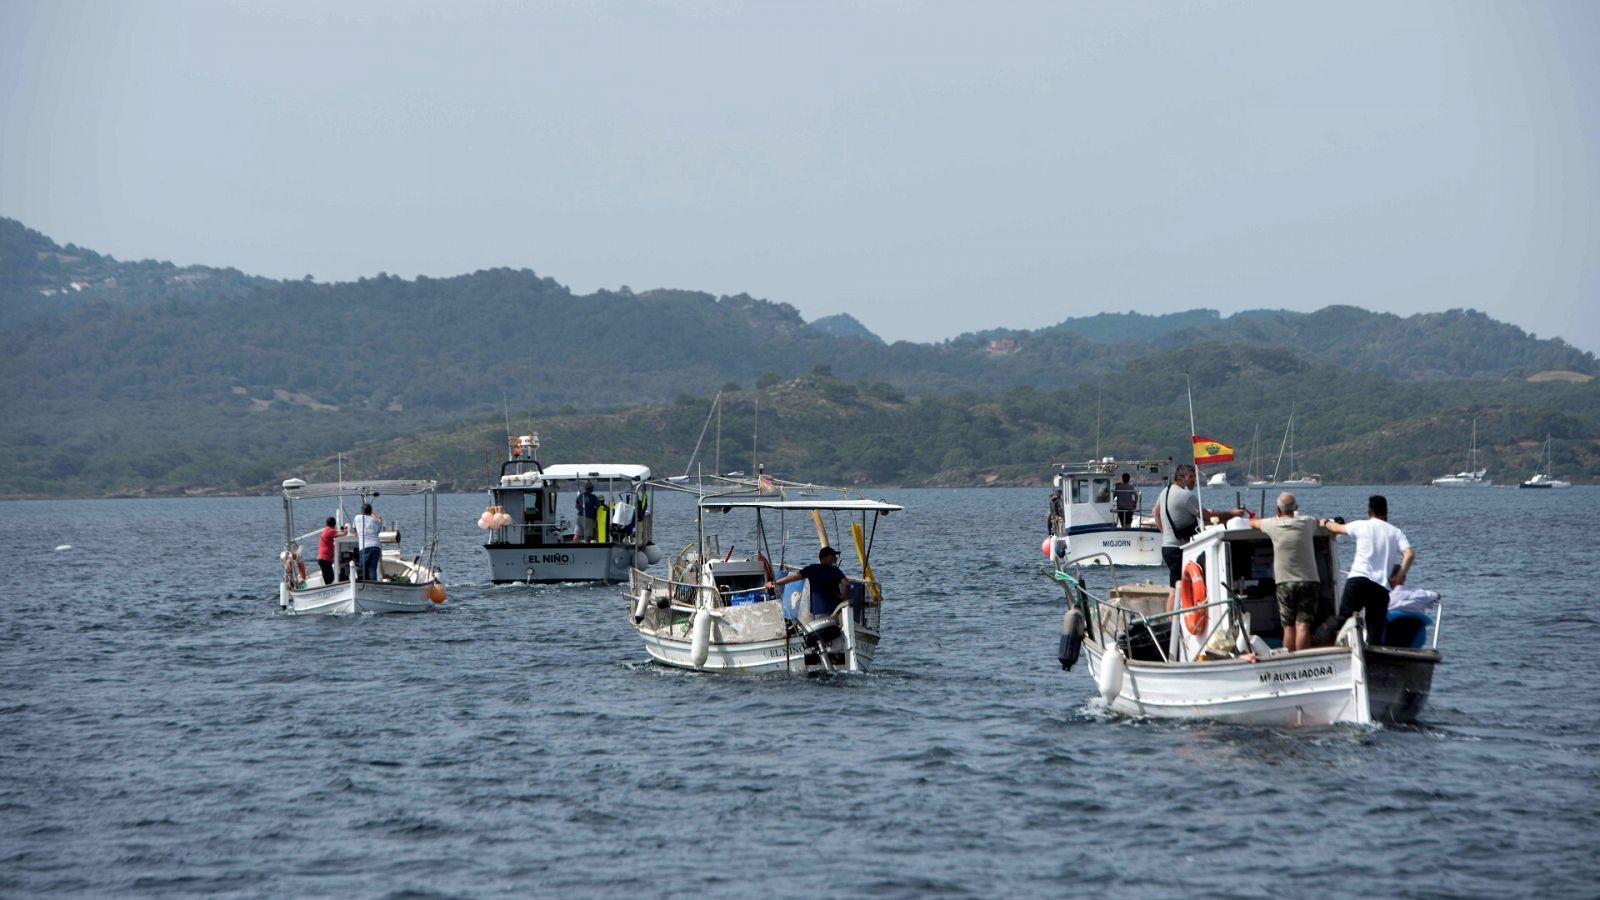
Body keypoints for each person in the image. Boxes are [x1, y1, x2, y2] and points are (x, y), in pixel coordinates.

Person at [1320, 495, 1413, 646]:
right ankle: (1371, 664)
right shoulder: (1396, 533)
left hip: (1359, 580)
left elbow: (1335, 528)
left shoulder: (1361, 525)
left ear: (1369, 511)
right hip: (1380, 587)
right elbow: (1409, 555)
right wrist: (1398, 577)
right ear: (1386, 512)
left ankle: (1319, 637)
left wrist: (1324, 522)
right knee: (1375, 631)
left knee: (1343, 618)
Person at [1151, 463, 1245, 607]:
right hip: (1179, 549)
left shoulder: (1165, 491)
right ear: (1181, 477)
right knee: (1178, 589)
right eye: (1190, 476)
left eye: (1194, 476)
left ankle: (1173, 623)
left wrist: (1166, 533)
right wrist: (1232, 514)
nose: (1193, 480)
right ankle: (1175, 622)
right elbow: (1206, 516)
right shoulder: (1185, 496)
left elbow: (1155, 512)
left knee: (1175, 587)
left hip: (1167, 548)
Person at [1247, 492, 1319, 652]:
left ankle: (1289, 661)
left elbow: (1252, 523)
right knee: (1303, 625)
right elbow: (1318, 521)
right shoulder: (1307, 522)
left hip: (1284, 583)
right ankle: (1303, 660)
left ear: (1278, 510)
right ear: (1296, 508)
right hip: (1308, 581)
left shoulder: (1272, 524)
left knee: (1288, 627)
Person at [767, 546, 851, 620]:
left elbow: (793, 577)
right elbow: (846, 583)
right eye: (834, 556)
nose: (836, 559)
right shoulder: (834, 570)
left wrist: (774, 583)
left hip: (817, 611)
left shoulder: (811, 569)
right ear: (827, 558)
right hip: (835, 609)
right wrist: (844, 596)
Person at [351, 503, 383, 581]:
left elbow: (354, 531)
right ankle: (374, 586)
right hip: (376, 546)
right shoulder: (375, 520)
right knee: (372, 569)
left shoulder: (357, 517)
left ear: (361, 511)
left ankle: (362, 585)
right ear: (371, 511)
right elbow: (377, 531)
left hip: (365, 546)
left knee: (362, 568)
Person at [316, 516, 346, 585]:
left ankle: (328, 590)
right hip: (325, 559)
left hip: (323, 558)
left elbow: (337, 533)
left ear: (326, 523)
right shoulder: (330, 531)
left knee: (329, 578)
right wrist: (346, 529)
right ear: (334, 525)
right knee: (330, 578)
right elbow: (344, 534)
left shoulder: (326, 530)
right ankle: (328, 592)